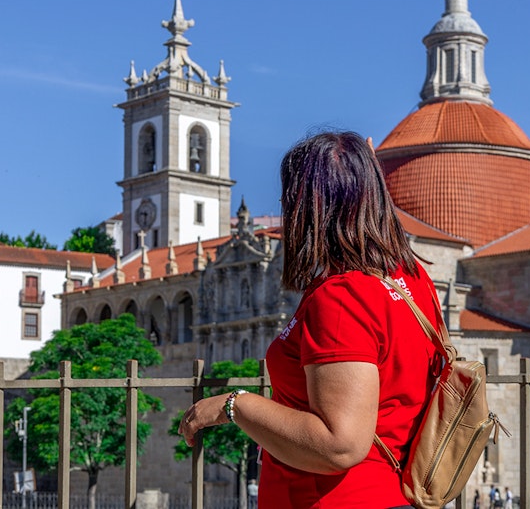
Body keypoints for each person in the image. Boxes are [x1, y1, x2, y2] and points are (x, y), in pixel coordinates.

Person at [178, 131, 442, 508]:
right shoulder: (412, 278)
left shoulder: (342, 297)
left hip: (338, 499)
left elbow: (340, 444)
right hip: (395, 493)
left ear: (307, 207)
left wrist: (235, 405)